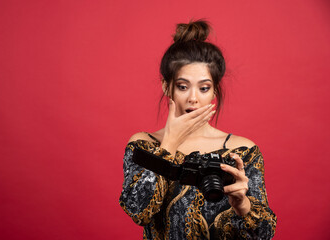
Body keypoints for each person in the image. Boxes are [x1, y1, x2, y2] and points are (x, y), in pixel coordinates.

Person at [119, 19, 277, 240]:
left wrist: (243, 204)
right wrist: (169, 145)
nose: (193, 98)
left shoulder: (243, 150)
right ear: (167, 87)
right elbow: (139, 212)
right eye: (183, 87)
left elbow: (264, 234)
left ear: (214, 92)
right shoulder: (144, 145)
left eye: (204, 88)